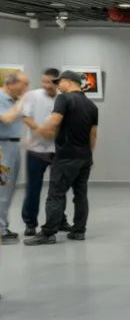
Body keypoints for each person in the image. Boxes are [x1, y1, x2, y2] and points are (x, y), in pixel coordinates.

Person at [24, 70, 99, 246]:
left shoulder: (64, 99)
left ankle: (48, 233)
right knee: (80, 195)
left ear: (69, 82)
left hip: (66, 156)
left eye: (60, 82)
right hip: (84, 157)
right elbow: (93, 135)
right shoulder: (92, 106)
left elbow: (55, 120)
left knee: (55, 194)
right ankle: (79, 231)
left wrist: (38, 132)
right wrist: (88, 155)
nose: (57, 85)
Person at [20, 68, 71, 236]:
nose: (47, 85)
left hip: (57, 151)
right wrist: (42, 131)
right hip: (36, 151)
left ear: (57, 82)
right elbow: (26, 117)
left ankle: (60, 220)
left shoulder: (64, 98)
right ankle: (30, 223)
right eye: (44, 81)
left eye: (50, 82)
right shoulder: (33, 96)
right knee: (33, 189)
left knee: (59, 189)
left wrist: (54, 133)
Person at [0, 70, 30, 244]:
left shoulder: (13, 100)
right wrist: (21, 101)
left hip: (12, 146)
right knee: (2, 189)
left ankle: (3, 227)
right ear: (11, 83)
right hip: (2, 148)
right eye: (23, 84)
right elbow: (7, 119)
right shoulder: (1, 97)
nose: (26, 88)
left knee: (9, 189)